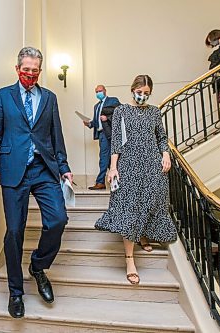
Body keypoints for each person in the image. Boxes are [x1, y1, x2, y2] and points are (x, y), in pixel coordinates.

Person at [0, 46, 73, 319]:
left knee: (58, 219)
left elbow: (56, 134)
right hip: (13, 170)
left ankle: (38, 266)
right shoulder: (3, 96)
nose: (30, 76)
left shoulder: (49, 97)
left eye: (35, 72)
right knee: (14, 232)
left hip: (44, 169)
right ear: (17, 69)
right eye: (26, 71)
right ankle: (16, 292)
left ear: (40, 71)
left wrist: (65, 168)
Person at [95, 75, 177, 285]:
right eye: (140, 93)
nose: (142, 97)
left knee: (150, 202)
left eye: (147, 94)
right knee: (129, 207)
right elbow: (116, 142)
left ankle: (142, 235)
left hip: (151, 164)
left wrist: (165, 154)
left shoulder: (154, 112)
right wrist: (113, 168)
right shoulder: (121, 110)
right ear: (133, 90)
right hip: (128, 164)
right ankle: (130, 259)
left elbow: (161, 137)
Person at [83, 85, 120, 190]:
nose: (98, 93)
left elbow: (119, 114)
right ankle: (117, 180)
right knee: (108, 159)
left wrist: (107, 118)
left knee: (103, 157)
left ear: (105, 91)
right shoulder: (96, 106)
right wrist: (89, 124)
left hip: (109, 132)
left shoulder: (112, 101)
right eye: (96, 92)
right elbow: (96, 122)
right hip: (101, 134)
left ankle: (100, 182)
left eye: (100, 91)